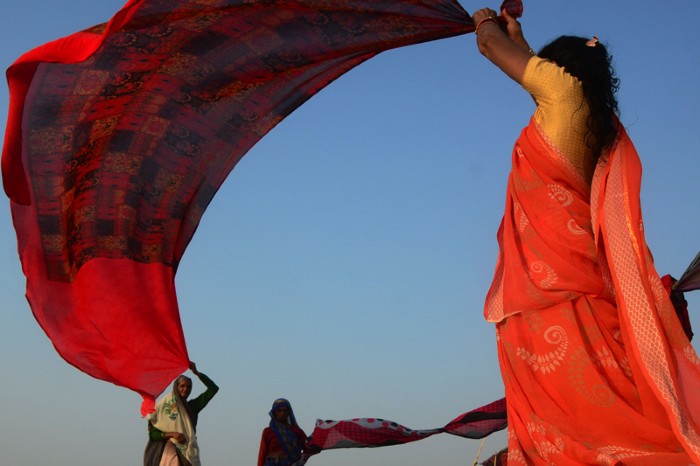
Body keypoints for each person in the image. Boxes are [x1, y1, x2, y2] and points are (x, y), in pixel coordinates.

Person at [472, 6, 700, 465]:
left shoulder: (562, 95)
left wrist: (482, 22)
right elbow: (530, 67)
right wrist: (519, 37)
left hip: (548, 300)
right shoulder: (588, 119)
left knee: (576, 438)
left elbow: (489, 46)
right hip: (567, 294)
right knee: (589, 429)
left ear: (556, 72)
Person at [144, 362, 218, 466]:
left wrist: (197, 373)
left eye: (188, 387)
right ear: (176, 387)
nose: (185, 389)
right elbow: (153, 434)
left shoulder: (193, 406)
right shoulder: (164, 407)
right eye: (182, 386)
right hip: (170, 451)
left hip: (190, 451)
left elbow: (213, 389)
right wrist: (172, 434)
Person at [258, 398, 310, 466]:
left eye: (285, 411)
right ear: (274, 413)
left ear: (288, 413)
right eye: (279, 410)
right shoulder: (268, 432)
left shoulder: (297, 431)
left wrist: (301, 461)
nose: (282, 413)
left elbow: (309, 448)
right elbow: (262, 454)